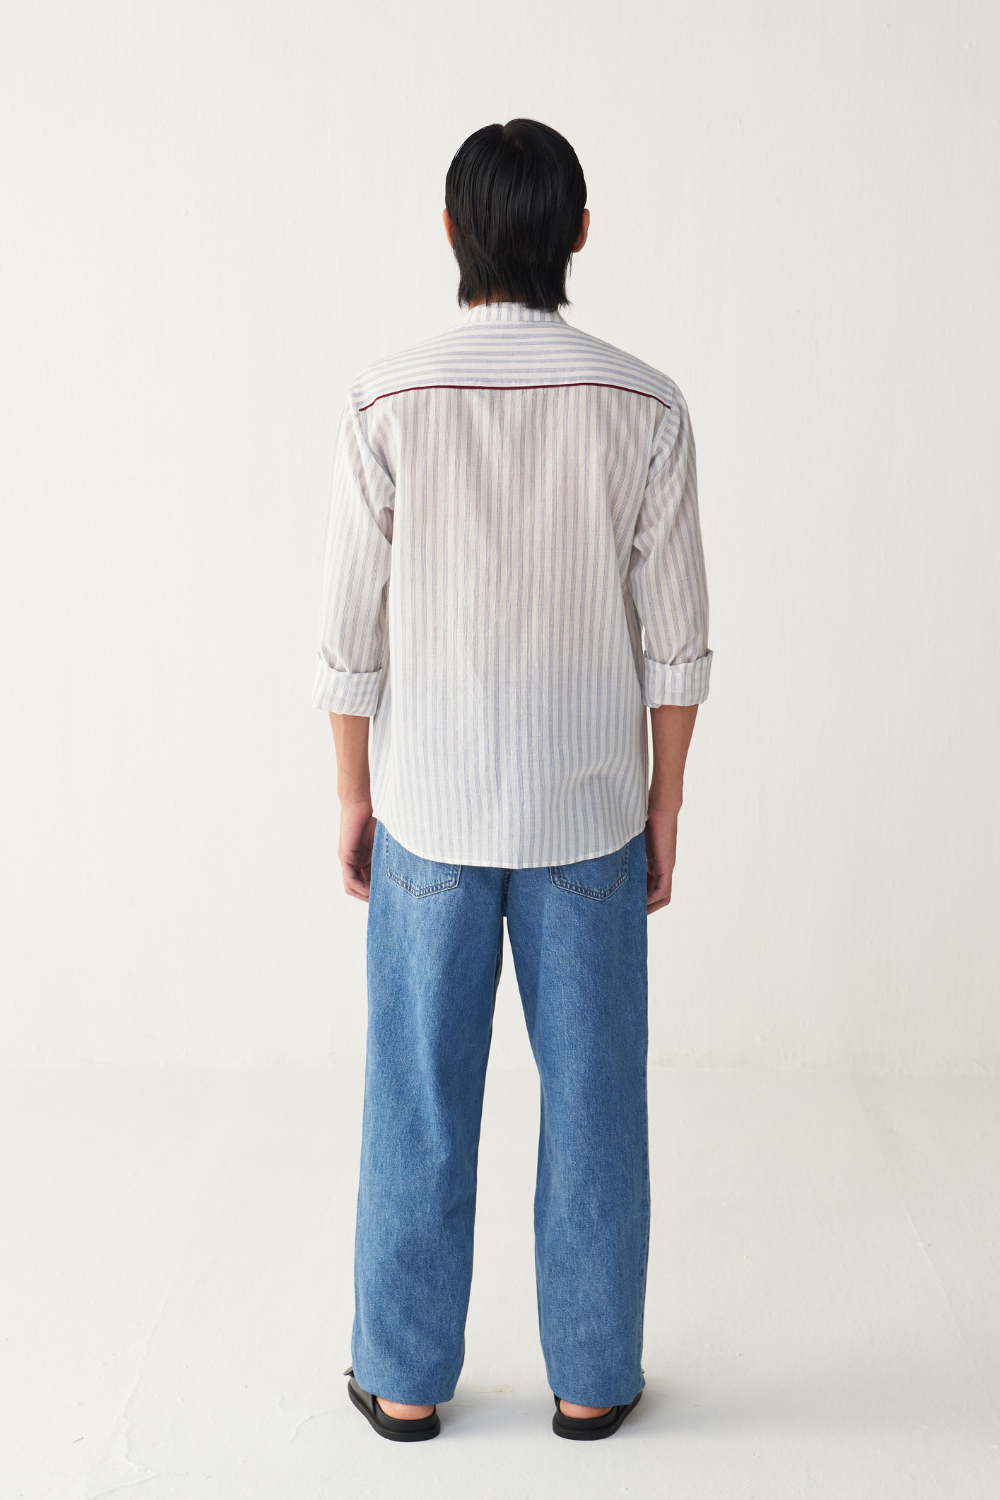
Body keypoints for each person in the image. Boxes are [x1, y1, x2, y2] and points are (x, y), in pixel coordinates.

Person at [312, 119, 712, 1443]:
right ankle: (591, 1380)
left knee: (417, 1100)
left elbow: (347, 639)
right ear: (579, 234)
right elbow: (677, 641)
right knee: (595, 1104)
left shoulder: (386, 401)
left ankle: (405, 1380)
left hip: (428, 809)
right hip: (589, 814)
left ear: (452, 233)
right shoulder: (646, 404)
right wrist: (664, 806)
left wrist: (353, 795)